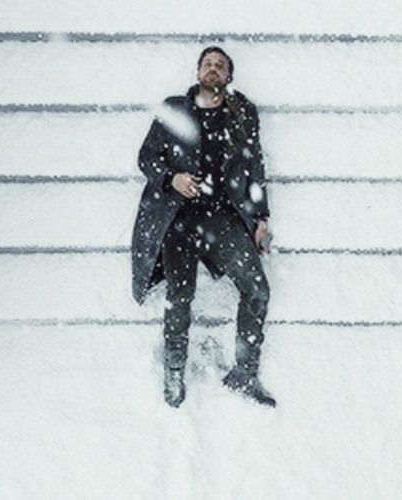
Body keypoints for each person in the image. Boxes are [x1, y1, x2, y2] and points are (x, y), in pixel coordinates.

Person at [131, 46, 275, 408]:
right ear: (198, 73)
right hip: (178, 218)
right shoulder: (174, 109)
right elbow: (146, 158)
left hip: (223, 218)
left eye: (220, 66)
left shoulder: (242, 113)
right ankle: (174, 372)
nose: (213, 69)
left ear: (228, 76)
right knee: (180, 296)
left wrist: (260, 219)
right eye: (208, 64)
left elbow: (254, 167)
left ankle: (245, 374)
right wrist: (172, 179)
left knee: (257, 290)